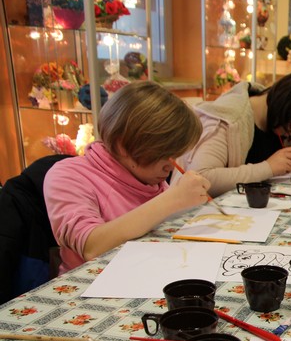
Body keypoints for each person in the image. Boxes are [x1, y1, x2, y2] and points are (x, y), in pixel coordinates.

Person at [44, 81, 209, 274]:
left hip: (148, 272)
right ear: (122, 145)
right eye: (164, 154)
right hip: (93, 283)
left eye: (175, 154)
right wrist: (174, 198)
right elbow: (92, 246)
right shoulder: (68, 175)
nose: (170, 165)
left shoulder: (146, 176)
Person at [178, 72, 291, 197]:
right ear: (290, 107)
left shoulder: (277, 118)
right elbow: (201, 177)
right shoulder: (230, 119)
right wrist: (267, 168)